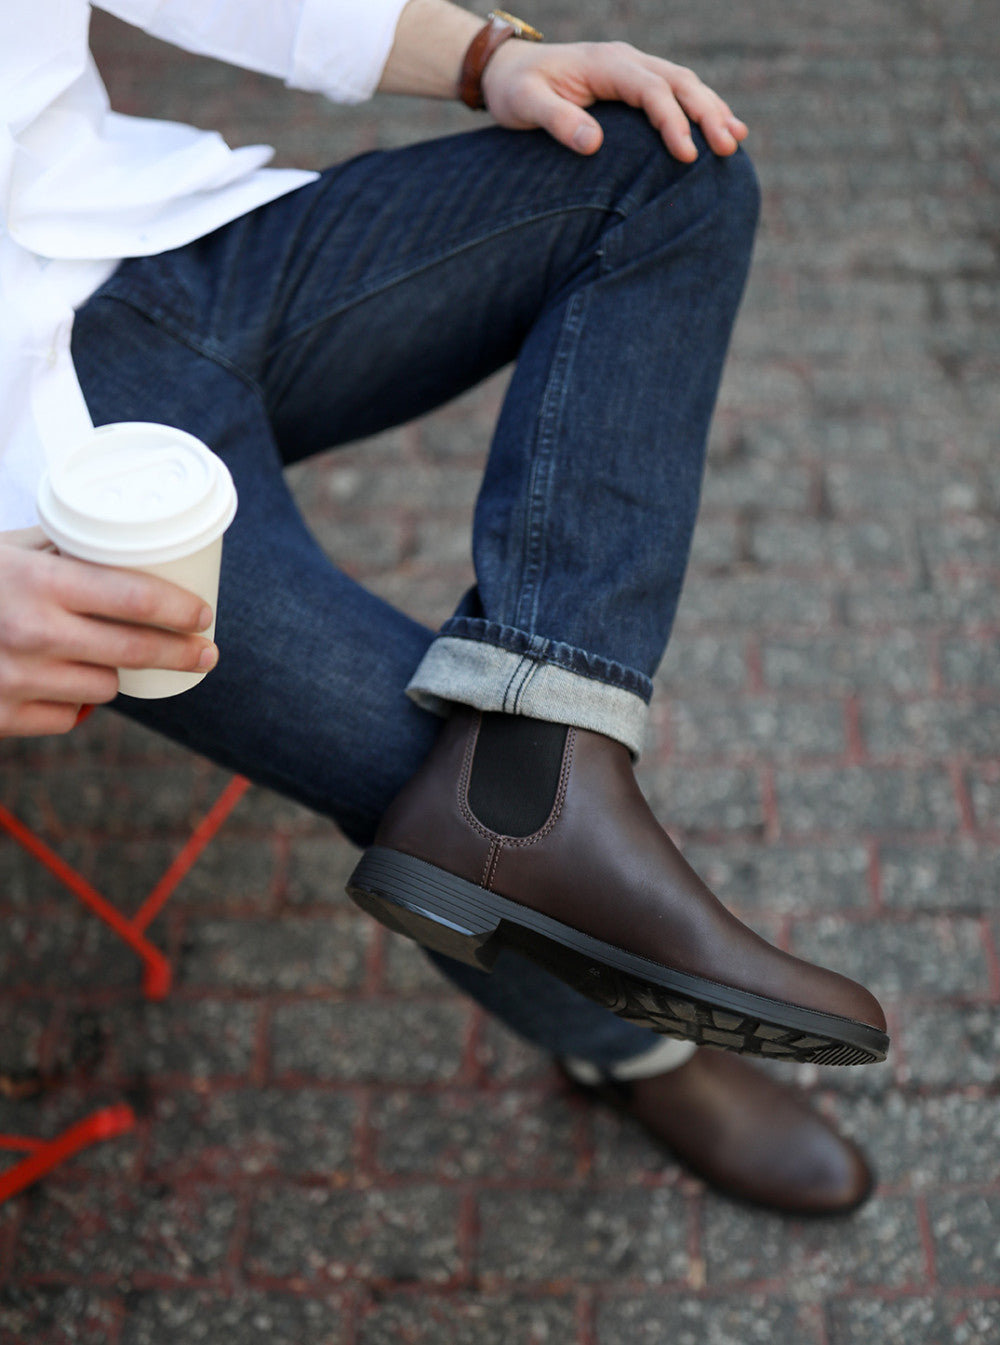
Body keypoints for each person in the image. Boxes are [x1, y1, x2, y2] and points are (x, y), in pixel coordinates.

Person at [0, 0, 884, 1214]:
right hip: (36, 483)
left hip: (142, 234)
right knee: (423, 784)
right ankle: (630, 1049)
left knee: (662, 166)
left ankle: (544, 757)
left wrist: (485, 55)